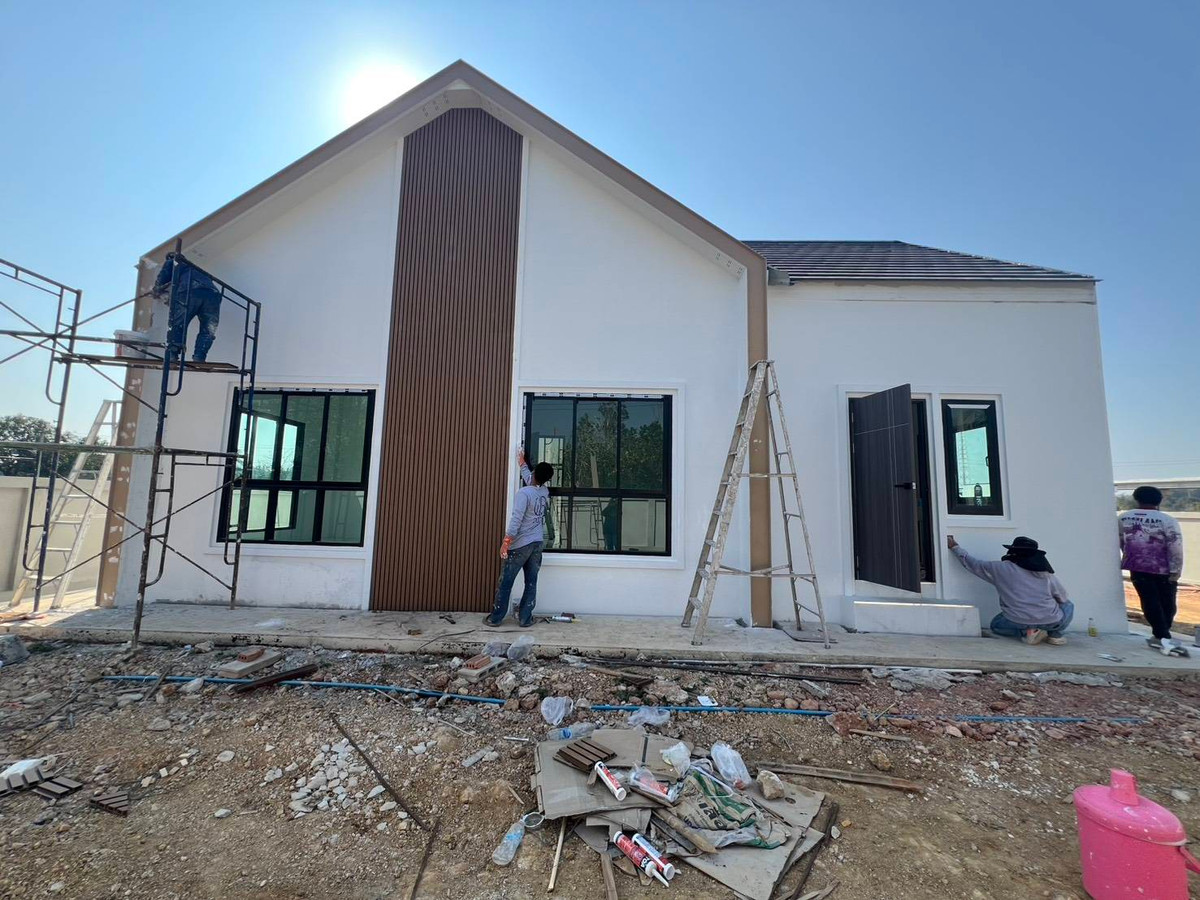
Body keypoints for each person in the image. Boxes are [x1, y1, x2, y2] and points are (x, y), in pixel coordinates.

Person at [948, 535, 1074, 645]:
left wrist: (954, 547)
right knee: (1068, 605)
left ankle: (1028, 632)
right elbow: (1062, 597)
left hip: (1017, 621)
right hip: (1050, 621)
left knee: (996, 625)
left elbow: (972, 564)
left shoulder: (999, 569)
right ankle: (1055, 635)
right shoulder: (1045, 574)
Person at [485, 449, 552, 628]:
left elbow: (516, 520)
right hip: (537, 544)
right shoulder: (544, 492)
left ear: (535, 473)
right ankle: (525, 619)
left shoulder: (524, 493)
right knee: (531, 582)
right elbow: (532, 480)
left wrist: (506, 542)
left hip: (521, 545)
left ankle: (495, 618)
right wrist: (522, 464)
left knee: (506, 582)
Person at [1119, 485, 1185, 653]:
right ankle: (1163, 636)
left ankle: (1161, 635)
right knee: (1167, 602)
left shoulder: (1124, 518)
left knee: (1149, 601)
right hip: (1163, 569)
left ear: (1136, 499)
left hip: (1137, 567)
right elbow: (1175, 547)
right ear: (1159, 500)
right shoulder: (1167, 520)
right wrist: (1176, 570)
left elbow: (1121, 541)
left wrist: (1130, 556)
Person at [152, 252, 222, 362]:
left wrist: (156, 290)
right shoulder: (195, 270)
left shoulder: (173, 261)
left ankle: (173, 353)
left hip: (190, 291)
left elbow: (162, 278)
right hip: (213, 295)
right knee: (208, 329)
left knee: (178, 324)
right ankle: (200, 356)